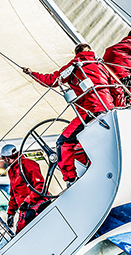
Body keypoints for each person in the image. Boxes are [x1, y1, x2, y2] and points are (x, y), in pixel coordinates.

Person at [23, 43, 124, 185]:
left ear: (76, 53)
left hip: (90, 111)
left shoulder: (74, 65)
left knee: (63, 142)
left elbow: (50, 81)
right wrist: (116, 108)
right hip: (110, 110)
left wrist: (31, 73)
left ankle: (70, 179)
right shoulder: (102, 65)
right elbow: (117, 89)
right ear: (90, 50)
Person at [0, 144, 50, 233]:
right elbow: (13, 194)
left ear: (7, 158)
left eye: (3, 158)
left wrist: (27, 201)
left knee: (25, 229)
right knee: (19, 232)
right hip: (26, 208)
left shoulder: (27, 164)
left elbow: (40, 185)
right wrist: (10, 213)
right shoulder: (11, 171)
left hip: (37, 204)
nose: (3, 161)